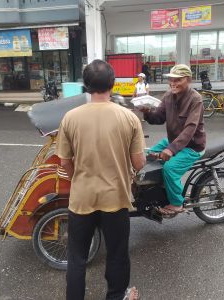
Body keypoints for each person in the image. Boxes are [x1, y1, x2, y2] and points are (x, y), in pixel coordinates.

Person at [55, 59, 145, 300]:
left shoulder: (70, 118)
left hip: (82, 198)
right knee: (117, 254)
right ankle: (116, 297)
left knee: (77, 258)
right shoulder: (129, 117)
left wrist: (77, 179)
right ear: (113, 84)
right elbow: (138, 163)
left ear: (85, 85)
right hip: (115, 198)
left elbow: (64, 161)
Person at [140, 64, 206, 217]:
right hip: (173, 141)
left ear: (188, 80)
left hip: (192, 146)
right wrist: (147, 112)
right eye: (171, 79)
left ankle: (176, 203)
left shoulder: (195, 99)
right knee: (147, 155)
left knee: (170, 168)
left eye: (178, 80)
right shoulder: (168, 96)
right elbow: (158, 119)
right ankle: (160, 190)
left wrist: (171, 149)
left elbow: (190, 128)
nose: (173, 83)